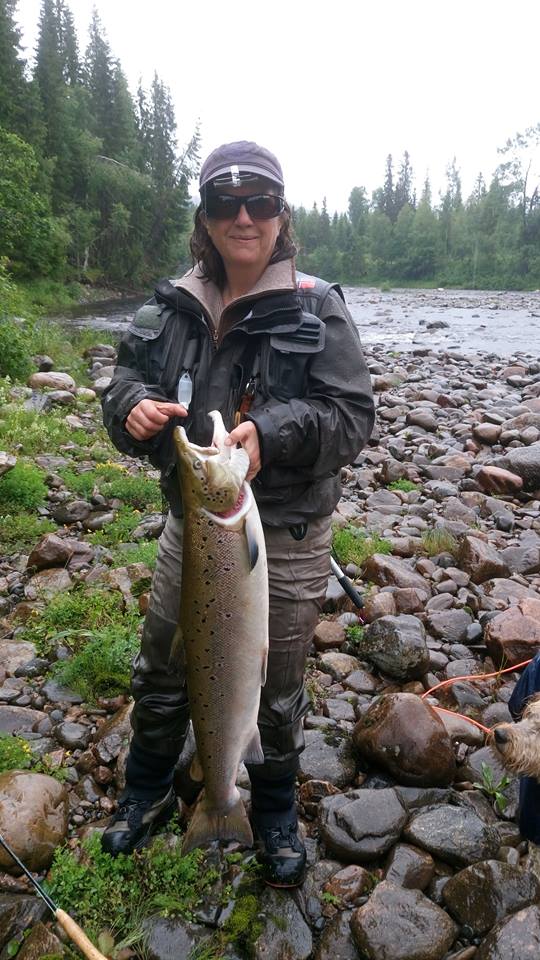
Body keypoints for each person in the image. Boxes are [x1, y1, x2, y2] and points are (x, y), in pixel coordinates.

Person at [101, 140, 375, 886]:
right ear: (207, 216)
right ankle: (147, 789)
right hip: (196, 523)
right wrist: (129, 409)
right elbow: (121, 379)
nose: (243, 217)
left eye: (259, 202)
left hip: (278, 530)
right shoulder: (170, 303)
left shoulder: (318, 304)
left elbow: (352, 417)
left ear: (281, 216)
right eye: (226, 203)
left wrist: (273, 435)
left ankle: (271, 809)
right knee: (162, 664)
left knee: (272, 680)